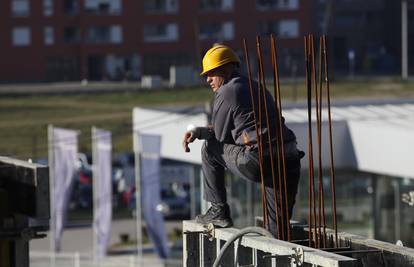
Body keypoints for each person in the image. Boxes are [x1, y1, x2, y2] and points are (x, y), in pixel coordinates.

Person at [182, 44, 303, 237]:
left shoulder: (226, 91)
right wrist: (201, 131)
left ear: (226, 68)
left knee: (209, 148)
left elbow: (220, 139)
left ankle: (218, 210)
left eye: (211, 73)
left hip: (259, 160)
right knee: (278, 230)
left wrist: (199, 132)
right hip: (288, 158)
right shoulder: (255, 85)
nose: (208, 79)